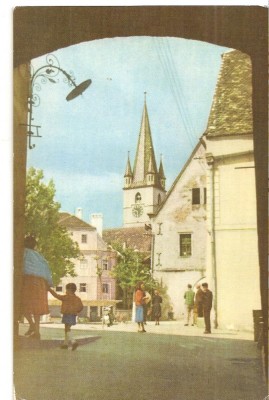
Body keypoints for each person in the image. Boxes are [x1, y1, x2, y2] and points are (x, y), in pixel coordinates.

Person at [22, 236, 54, 340]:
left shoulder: (23, 252)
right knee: (37, 309)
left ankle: (31, 325)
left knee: (23, 305)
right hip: (41, 283)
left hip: (28, 280)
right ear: (34, 245)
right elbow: (47, 269)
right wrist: (49, 284)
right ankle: (37, 331)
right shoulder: (40, 256)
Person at [49, 283, 83, 350]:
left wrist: (50, 290)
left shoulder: (66, 297)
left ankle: (73, 342)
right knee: (66, 329)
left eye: (66, 289)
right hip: (73, 315)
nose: (66, 291)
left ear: (69, 290)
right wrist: (76, 311)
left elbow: (56, 295)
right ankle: (65, 344)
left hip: (67, 314)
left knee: (67, 329)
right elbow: (81, 307)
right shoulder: (77, 298)